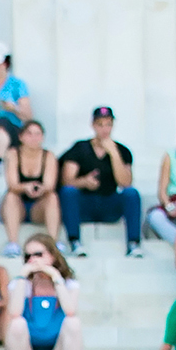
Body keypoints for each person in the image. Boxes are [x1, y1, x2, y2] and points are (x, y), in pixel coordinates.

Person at [4, 235, 83, 350]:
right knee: (17, 324)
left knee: (73, 323)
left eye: (38, 254)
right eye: (28, 256)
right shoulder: (20, 284)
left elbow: (70, 310)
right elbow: (14, 312)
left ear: (52, 255)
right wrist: (22, 277)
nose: (33, 260)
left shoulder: (68, 284)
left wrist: (55, 277)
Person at [59, 107, 143, 258]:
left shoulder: (122, 151)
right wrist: (84, 182)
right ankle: (74, 241)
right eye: (100, 124)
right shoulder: (80, 148)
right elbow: (66, 181)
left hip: (109, 203)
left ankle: (133, 244)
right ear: (93, 125)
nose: (105, 129)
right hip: (85, 204)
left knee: (131, 194)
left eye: (108, 124)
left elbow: (125, 183)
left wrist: (114, 154)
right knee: (68, 192)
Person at [1, 121, 61, 256]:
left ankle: (53, 243)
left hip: (38, 207)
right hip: (17, 205)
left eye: (37, 134)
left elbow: (50, 185)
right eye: (29, 134)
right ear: (21, 137)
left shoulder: (48, 156)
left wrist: (40, 189)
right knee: (11, 196)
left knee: (52, 197)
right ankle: (13, 243)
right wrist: (25, 187)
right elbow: (12, 184)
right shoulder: (13, 154)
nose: (34, 138)